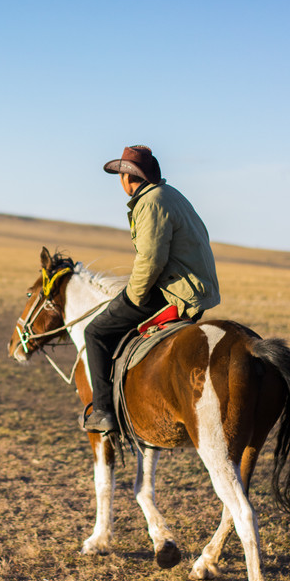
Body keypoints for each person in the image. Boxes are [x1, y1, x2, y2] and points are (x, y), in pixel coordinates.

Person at [82, 145, 221, 433]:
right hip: (194, 286)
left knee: (95, 332)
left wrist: (133, 298)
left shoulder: (151, 202)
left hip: (176, 291)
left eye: (121, 175)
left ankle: (103, 412)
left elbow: (151, 259)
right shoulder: (171, 195)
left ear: (127, 177)